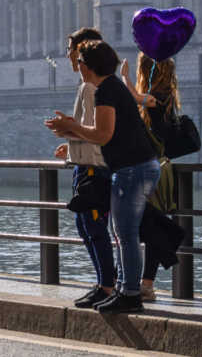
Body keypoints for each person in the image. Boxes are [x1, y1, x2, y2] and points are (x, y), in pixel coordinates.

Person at [46, 41, 160, 314]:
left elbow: (102, 135)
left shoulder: (105, 90)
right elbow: (105, 133)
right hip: (136, 166)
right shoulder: (112, 88)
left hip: (132, 169)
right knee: (121, 232)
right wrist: (71, 132)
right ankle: (123, 288)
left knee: (125, 234)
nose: (78, 67)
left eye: (79, 62)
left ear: (86, 66)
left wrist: (72, 127)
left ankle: (130, 293)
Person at [49, 28, 115, 309]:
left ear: (82, 51)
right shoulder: (88, 86)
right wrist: (71, 140)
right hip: (84, 165)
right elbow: (87, 132)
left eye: (71, 49)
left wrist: (69, 131)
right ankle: (103, 283)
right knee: (85, 225)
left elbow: (96, 132)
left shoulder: (89, 88)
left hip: (93, 169)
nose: (67, 55)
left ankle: (107, 285)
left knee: (93, 227)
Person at [122, 54, 180, 302]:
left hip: (151, 172)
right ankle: (144, 283)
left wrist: (124, 77)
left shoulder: (161, 96)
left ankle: (145, 283)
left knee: (145, 227)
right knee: (149, 226)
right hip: (156, 170)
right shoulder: (167, 96)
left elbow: (136, 98)